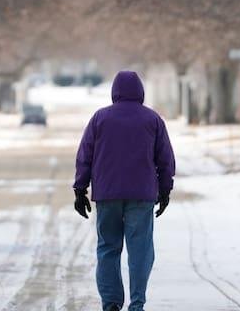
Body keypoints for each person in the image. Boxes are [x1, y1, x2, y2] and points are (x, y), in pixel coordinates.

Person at [73, 70, 176, 311]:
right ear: (140, 91)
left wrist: (80, 189)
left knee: (108, 248)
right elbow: (165, 159)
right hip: (142, 195)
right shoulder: (152, 120)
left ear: (114, 91)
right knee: (140, 251)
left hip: (107, 194)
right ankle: (137, 303)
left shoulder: (100, 119)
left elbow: (85, 155)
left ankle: (111, 303)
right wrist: (165, 190)